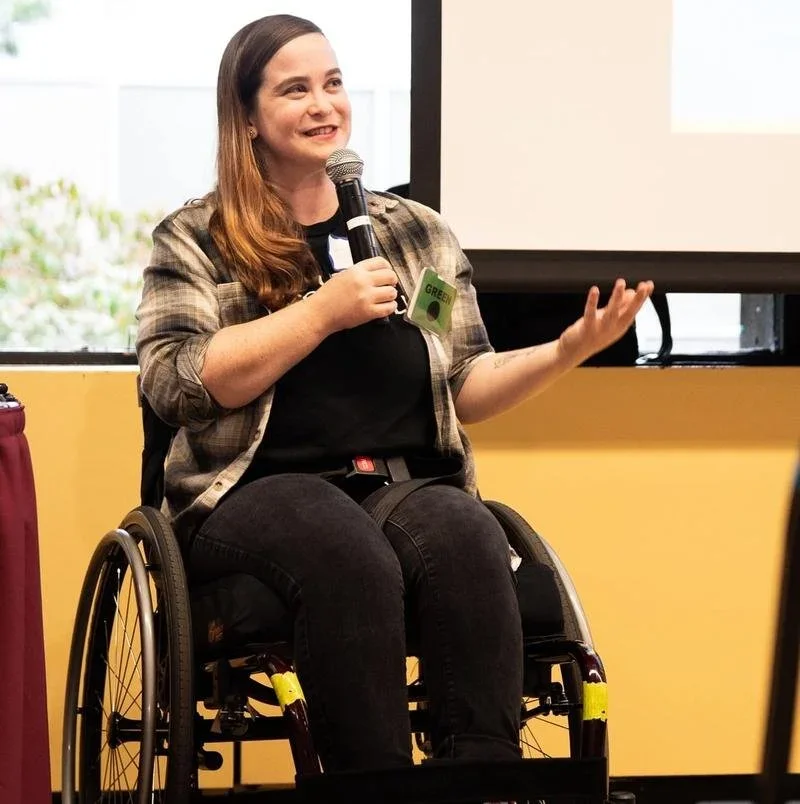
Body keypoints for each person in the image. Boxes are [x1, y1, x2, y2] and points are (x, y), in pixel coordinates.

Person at [135, 14, 654, 774]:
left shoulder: (414, 233)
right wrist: (321, 312)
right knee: (343, 549)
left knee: (467, 529)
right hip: (255, 493)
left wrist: (566, 351)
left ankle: (479, 777)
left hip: (399, 486)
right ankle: (372, 783)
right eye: (295, 90)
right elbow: (176, 381)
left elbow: (467, 382)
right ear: (246, 118)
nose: (324, 105)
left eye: (333, 83)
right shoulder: (196, 236)